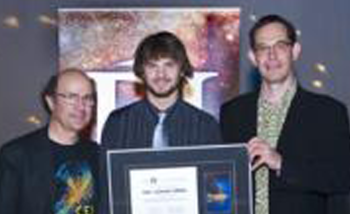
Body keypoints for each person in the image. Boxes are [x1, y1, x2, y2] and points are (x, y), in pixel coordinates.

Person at [220, 14, 350, 214]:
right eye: (263, 48)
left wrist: (281, 163)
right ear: (253, 58)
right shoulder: (232, 113)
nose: (272, 55)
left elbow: (341, 178)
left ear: (295, 51)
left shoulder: (329, 112)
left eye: (280, 45)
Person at [0, 68, 100, 214]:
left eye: (87, 98)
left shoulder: (98, 154)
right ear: (51, 102)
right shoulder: (16, 156)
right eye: (72, 97)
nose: (81, 106)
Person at [101, 31, 221, 149]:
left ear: (182, 70)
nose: (161, 74)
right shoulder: (118, 124)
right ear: (142, 71)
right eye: (152, 66)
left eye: (169, 65)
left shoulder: (205, 126)